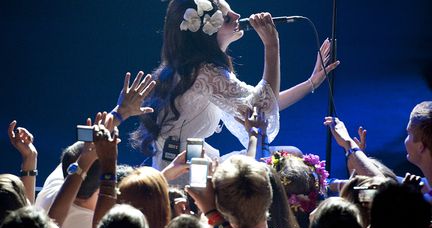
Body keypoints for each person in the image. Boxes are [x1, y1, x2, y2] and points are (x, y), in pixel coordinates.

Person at [129, 0, 339, 186]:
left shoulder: (197, 67)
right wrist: (271, 46)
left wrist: (310, 83)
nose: (238, 16)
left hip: (188, 162)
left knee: (292, 155)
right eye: (228, 17)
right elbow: (262, 108)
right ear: (209, 31)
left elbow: (258, 107)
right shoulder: (204, 71)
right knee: (290, 159)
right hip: (185, 173)